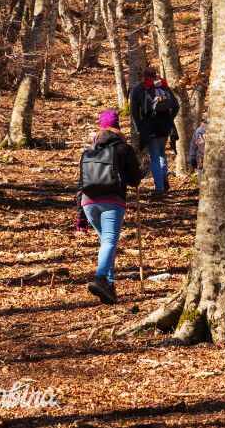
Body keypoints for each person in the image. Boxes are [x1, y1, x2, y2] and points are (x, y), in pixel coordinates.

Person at [78, 110, 141, 304]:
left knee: (106, 242)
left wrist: (80, 214)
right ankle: (100, 278)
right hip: (112, 201)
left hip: (88, 202)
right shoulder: (123, 148)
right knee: (109, 242)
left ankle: (109, 287)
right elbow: (135, 180)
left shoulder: (90, 150)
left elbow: (80, 183)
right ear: (117, 127)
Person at [130, 67, 180, 197]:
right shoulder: (164, 86)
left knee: (154, 157)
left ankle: (159, 188)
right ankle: (163, 178)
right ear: (155, 75)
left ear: (144, 76)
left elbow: (134, 111)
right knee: (162, 152)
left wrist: (139, 128)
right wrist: (169, 119)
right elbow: (176, 106)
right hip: (165, 126)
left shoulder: (139, 89)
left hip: (150, 126)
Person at [188, 115, 207, 185]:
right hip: (201, 160)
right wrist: (192, 157)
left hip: (201, 159)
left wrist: (192, 157)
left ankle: (201, 188)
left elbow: (193, 146)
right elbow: (194, 145)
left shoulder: (199, 130)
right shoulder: (200, 131)